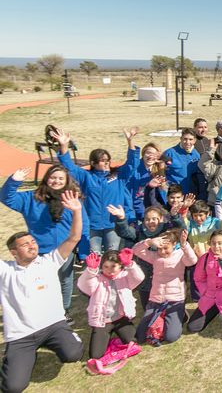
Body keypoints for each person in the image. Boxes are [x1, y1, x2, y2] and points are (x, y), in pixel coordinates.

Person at [0, 190, 84, 393]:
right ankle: (16, 359)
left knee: (74, 354)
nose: (32, 246)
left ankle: (64, 339)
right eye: (25, 244)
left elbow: (74, 238)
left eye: (33, 242)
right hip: (22, 336)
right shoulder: (6, 270)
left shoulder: (49, 261)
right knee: (14, 387)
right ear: (13, 252)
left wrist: (77, 211)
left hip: (53, 325)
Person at [1, 167, 90, 322]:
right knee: (37, 283)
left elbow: (84, 226)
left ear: (66, 181)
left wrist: (83, 252)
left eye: (61, 179)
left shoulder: (72, 199)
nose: (56, 181)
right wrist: (13, 181)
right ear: (46, 178)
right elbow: (6, 198)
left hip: (64, 251)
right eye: (53, 177)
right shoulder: (31, 198)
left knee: (64, 281)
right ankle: (38, 311)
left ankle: (63, 311)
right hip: (37, 252)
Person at [52, 128, 132, 253]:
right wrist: (63, 146)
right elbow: (69, 167)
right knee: (94, 256)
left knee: (112, 255)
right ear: (93, 163)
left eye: (108, 160)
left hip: (113, 224)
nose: (107, 163)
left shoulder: (118, 175)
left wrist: (130, 142)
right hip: (92, 225)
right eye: (103, 161)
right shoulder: (86, 177)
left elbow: (132, 163)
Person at [133, 229, 198, 345]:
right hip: (155, 300)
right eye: (160, 248)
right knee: (141, 336)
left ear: (174, 244)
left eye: (166, 248)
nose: (162, 251)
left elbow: (192, 261)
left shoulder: (180, 255)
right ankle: (161, 317)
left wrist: (184, 245)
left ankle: (181, 314)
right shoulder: (154, 257)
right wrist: (150, 242)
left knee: (171, 337)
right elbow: (135, 251)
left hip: (175, 300)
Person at [77, 248, 143, 359]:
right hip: (103, 321)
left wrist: (130, 264)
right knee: (96, 355)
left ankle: (117, 335)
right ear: (101, 267)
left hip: (121, 319)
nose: (109, 270)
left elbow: (139, 277)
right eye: (106, 267)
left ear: (120, 266)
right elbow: (84, 286)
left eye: (113, 266)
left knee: (134, 342)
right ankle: (106, 337)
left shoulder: (125, 276)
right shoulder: (97, 279)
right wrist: (90, 271)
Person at [163, 127, 201, 195]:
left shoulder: (196, 155)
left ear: (194, 140)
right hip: (173, 195)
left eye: (190, 139)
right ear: (181, 139)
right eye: (185, 139)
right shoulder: (169, 153)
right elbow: (160, 172)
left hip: (190, 194)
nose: (187, 142)